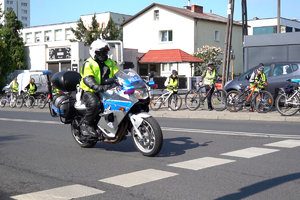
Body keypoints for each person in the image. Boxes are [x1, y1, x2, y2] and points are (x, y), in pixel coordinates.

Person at [79, 39, 119, 137]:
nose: (104, 54)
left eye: (105, 52)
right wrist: (98, 87)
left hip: (108, 88)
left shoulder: (110, 63)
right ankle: (86, 124)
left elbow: (118, 74)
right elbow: (88, 79)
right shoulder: (88, 63)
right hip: (89, 90)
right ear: (95, 52)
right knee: (95, 103)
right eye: (102, 52)